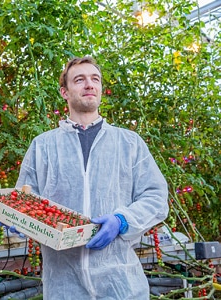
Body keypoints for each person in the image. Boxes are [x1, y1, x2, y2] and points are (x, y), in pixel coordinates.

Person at [15, 56, 169, 299]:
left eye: (94, 79)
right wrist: (16, 216)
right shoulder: (43, 146)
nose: (89, 84)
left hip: (121, 286)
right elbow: (25, 197)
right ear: (64, 92)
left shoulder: (128, 143)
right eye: (79, 80)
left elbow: (156, 197)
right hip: (64, 287)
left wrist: (122, 220)